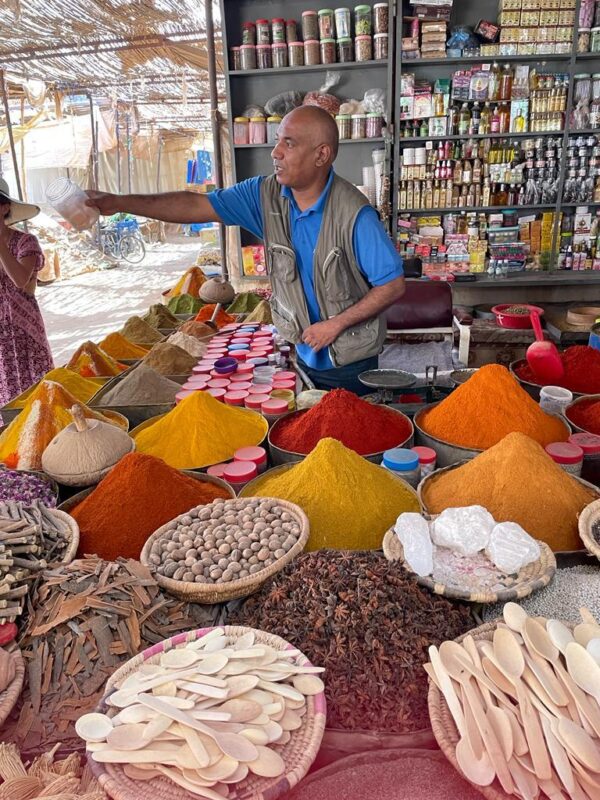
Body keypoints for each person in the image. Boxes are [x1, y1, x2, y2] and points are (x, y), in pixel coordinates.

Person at [87, 106, 405, 393]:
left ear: (321, 155)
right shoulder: (264, 196)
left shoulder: (355, 214)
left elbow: (392, 285)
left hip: (350, 360)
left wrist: (335, 324)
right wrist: (117, 203)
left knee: (347, 444)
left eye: (289, 144)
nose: (275, 152)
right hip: (301, 351)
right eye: (278, 141)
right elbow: (194, 204)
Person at [0, 178, 53, 407]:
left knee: (34, 386)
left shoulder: (25, 242)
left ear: (4, 208)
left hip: (24, 329)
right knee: (7, 389)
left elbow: (21, 280)